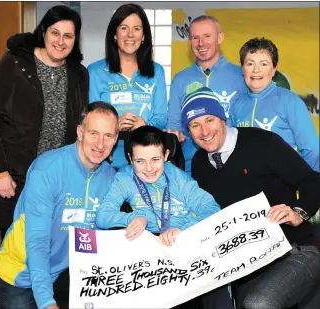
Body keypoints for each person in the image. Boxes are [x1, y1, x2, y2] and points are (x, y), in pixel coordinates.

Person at [182, 86, 320, 309]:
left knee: (258, 303)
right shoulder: (199, 164)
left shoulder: (263, 143)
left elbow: (313, 181)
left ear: (222, 118)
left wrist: (299, 212)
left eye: (209, 120)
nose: (204, 131)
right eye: (195, 125)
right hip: (247, 264)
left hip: (294, 249)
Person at [0, 102, 119, 309]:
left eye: (108, 136)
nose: (100, 144)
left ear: (115, 139)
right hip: (21, 272)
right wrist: (46, 302)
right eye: (93, 133)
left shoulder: (110, 177)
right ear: (80, 132)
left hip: (65, 272)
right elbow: (37, 242)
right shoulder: (47, 170)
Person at [0, 5, 89, 235]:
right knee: (15, 249)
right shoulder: (15, 63)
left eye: (68, 35)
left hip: (56, 180)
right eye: (55, 33)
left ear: (75, 39)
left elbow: (81, 123)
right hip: (15, 178)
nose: (60, 41)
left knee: (49, 247)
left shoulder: (79, 74)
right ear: (44, 32)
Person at [95, 125, 220, 245]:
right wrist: (135, 218)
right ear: (130, 158)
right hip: (149, 244)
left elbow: (212, 209)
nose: (149, 168)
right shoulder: (125, 178)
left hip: (182, 238)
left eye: (155, 159)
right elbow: (102, 216)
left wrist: (183, 230)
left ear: (165, 155)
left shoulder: (178, 177)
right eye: (140, 161)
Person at [87, 3, 168, 170]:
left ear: (144, 35)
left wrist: (145, 125)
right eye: (124, 28)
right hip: (106, 161)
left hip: (146, 163)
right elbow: (90, 119)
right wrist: (115, 124)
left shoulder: (157, 71)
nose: (130, 35)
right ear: (114, 34)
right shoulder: (94, 71)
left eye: (137, 29)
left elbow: (161, 117)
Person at [166, 15, 247, 174]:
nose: (201, 43)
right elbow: (173, 126)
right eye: (195, 38)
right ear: (190, 42)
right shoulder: (180, 79)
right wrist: (175, 135)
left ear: (220, 37)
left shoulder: (240, 76)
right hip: (193, 168)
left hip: (235, 165)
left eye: (207, 36)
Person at [228, 37, 319, 172]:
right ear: (242, 69)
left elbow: (312, 149)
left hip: (283, 189)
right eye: (250, 63)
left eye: (264, 64)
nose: (256, 70)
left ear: (274, 69)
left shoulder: (290, 101)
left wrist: (305, 183)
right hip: (247, 189)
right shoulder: (237, 106)